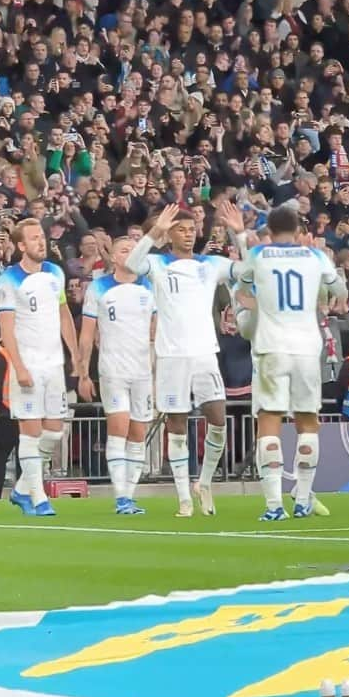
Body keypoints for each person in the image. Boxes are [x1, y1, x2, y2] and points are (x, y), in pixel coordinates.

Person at [230, 204, 349, 521]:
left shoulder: (259, 256)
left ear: (269, 230)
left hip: (272, 347)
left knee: (269, 419)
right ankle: (303, 499)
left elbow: (241, 289)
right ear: (299, 231)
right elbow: (340, 290)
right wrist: (327, 291)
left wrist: (252, 302)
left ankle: (273, 506)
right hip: (307, 350)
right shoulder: (315, 257)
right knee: (307, 421)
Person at [125, 203, 237, 518]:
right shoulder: (158, 263)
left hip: (205, 354)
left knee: (218, 420)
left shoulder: (210, 264)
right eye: (180, 229)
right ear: (170, 234)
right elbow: (133, 263)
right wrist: (155, 230)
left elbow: (246, 271)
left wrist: (239, 234)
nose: (188, 235)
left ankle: (204, 482)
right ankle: (184, 496)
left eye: (191, 229)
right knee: (177, 425)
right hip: (172, 356)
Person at [0, 218, 79, 517]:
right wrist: (18, 367)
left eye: (41, 236)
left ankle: (20, 490)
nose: (40, 242)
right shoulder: (8, 280)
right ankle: (39, 497)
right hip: (28, 364)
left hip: (54, 364)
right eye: (33, 238)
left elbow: (64, 314)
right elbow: (6, 330)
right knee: (30, 432)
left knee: (54, 432)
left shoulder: (55, 272)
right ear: (20, 246)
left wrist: (75, 354)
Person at [78, 237, 155, 515]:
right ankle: (120, 496)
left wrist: (157, 371)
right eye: (124, 249)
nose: (130, 253)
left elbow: (155, 331)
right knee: (119, 427)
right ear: (112, 257)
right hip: (113, 369)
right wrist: (83, 372)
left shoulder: (148, 286)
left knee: (138, 432)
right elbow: (87, 334)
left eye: (135, 249)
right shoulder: (99, 287)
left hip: (143, 370)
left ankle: (130, 495)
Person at [0, 344, 21, 501]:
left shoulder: (4, 354)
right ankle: (24, 494)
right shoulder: (32, 351)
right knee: (26, 459)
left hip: (7, 414)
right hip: (28, 414)